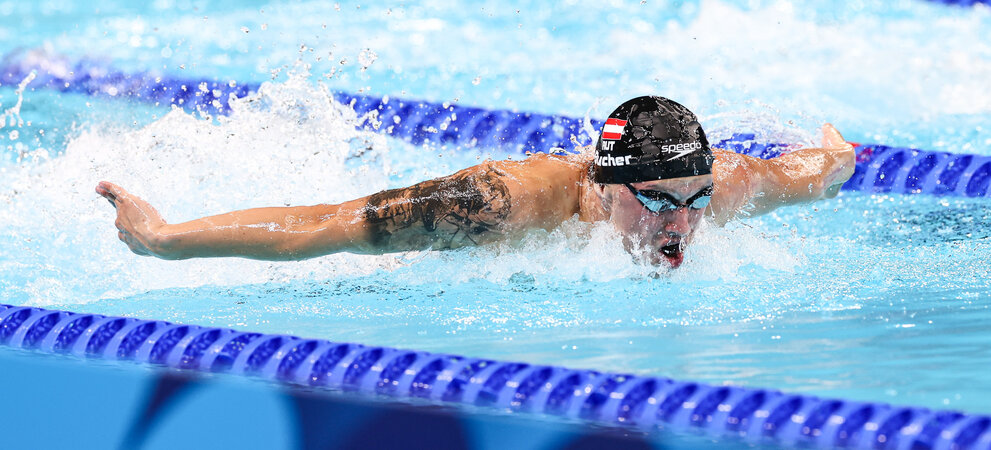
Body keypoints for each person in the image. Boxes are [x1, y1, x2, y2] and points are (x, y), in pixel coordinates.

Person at [97, 96, 855, 268]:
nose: (679, 226)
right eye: (655, 201)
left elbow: (806, 174)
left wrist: (835, 156)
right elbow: (328, 221)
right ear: (600, 183)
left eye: (691, 203)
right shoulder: (498, 203)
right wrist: (165, 239)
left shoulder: (713, 189)